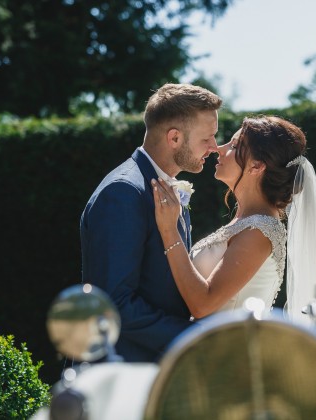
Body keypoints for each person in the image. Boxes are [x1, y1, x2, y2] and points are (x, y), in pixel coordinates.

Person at [80, 83, 222, 362]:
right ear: (174, 138)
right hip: (123, 370)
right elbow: (114, 303)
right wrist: (192, 338)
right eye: (208, 138)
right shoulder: (123, 192)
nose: (214, 147)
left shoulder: (163, 186)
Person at [152, 116, 316, 321]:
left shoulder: (259, 232)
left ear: (257, 166)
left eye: (234, 146)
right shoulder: (246, 223)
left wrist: (169, 231)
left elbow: (203, 305)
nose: (219, 148)